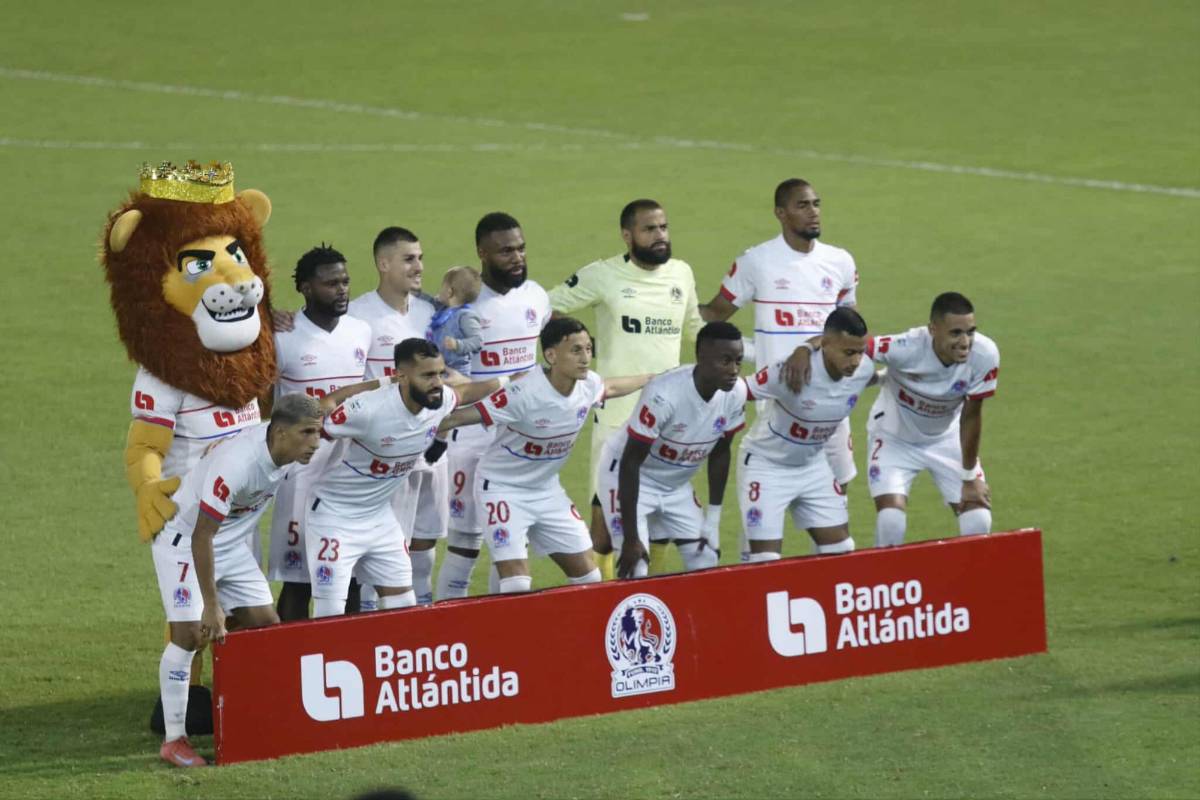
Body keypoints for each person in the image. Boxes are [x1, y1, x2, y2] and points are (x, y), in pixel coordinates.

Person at [153, 393, 323, 767]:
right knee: (188, 636)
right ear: (280, 433)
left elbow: (333, 402)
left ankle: (250, 716)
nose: (316, 441)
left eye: (318, 431)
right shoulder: (238, 465)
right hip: (184, 542)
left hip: (229, 545)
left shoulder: (287, 450)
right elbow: (202, 535)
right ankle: (174, 740)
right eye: (308, 432)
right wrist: (212, 606)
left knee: (265, 626)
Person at [699, 179, 860, 557]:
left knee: (835, 494)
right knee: (766, 497)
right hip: (778, 399)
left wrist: (811, 347)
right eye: (803, 205)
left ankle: (827, 575)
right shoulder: (757, 262)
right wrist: (669, 314)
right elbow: (714, 315)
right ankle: (750, 564)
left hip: (832, 401)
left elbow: (849, 328)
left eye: (817, 203)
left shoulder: (840, 262)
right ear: (781, 213)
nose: (814, 211)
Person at [548, 199, 703, 578]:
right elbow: (544, 307)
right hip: (618, 417)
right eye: (649, 229)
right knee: (606, 529)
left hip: (671, 420)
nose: (660, 235)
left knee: (663, 522)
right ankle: (599, 603)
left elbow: (696, 330)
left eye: (663, 227)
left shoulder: (681, 274)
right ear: (627, 235)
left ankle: (650, 594)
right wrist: (577, 349)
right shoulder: (604, 275)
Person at [438, 317, 652, 592]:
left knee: (590, 579)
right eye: (576, 350)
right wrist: (414, 427)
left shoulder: (587, 385)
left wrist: (650, 379)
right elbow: (459, 418)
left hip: (547, 491)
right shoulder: (523, 393)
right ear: (551, 355)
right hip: (503, 489)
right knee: (516, 583)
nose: (585, 358)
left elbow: (609, 388)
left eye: (588, 349)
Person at [306, 339, 507, 616]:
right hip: (334, 516)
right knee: (329, 613)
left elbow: (466, 392)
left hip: (379, 517)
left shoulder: (439, 400)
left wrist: (508, 380)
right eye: (427, 375)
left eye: (439, 373)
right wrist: (332, 399)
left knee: (403, 609)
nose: (437, 382)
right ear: (400, 375)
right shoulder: (365, 410)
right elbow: (311, 427)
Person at [436, 212, 552, 600]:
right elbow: (449, 379)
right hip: (472, 436)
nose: (517, 257)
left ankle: (500, 630)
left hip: (523, 439)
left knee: (511, 544)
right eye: (506, 251)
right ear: (482, 254)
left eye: (520, 249)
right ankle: (449, 629)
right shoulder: (464, 308)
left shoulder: (536, 296)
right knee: (466, 544)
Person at [268, 245, 372, 622]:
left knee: (353, 577)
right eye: (331, 283)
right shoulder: (282, 337)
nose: (342, 289)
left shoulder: (361, 331)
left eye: (345, 281)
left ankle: (351, 657)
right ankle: (291, 665)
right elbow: (265, 402)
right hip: (299, 474)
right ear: (306, 288)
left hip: (350, 471)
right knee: (298, 580)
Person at [602, 321, 748, 579]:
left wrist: (713, 520)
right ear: (701, 357)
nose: (734, 370)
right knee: (635, 567)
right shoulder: (663, 394)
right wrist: (631, 538)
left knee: (707, 558)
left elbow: (721, 453)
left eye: (738, 361)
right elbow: (631, 462)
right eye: (725, 361)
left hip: (675, 486)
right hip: (628, 474)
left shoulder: (735, 394)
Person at [737, 307, 878, 563]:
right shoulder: (790, 371)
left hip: (813, 467)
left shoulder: (864, 370)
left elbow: (879, 371)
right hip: (767, 466)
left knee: (842, 551)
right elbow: (739, 391)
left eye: (860, 351)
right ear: (825, 344)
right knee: (764, 561)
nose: (856, 361)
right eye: (849, 353)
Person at [862, 292, 998, 545]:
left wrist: (969, 479)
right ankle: (886, 582)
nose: (965, 341)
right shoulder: (906, 346)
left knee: (979, 519)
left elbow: (971, 416)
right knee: (891, 520)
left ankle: (971, 582)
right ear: (932, 330)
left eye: (970, 331)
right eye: (955, 333)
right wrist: (810, 347)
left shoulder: (985, 355)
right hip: (894, 437)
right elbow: (857, 348)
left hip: (946, 438)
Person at [427, 265, 484, 375]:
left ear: (449, 292)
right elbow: (428, 300)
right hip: (439, 368)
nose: (439, 292)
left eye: (442, 287)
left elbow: (478, 340)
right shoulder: (442, 308)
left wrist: (458, 344)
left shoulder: (465, 316)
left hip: (458, 372)